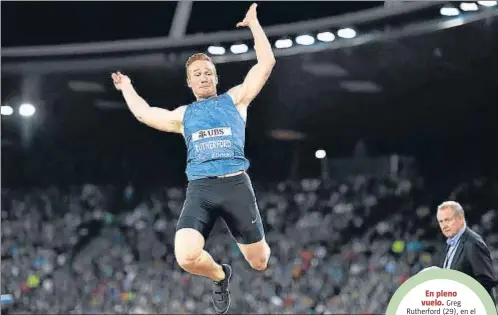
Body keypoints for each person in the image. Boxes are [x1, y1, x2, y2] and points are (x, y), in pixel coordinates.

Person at [111, 3, 275, 314]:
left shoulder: (235, 99)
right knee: (186, 256)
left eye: (208, 73)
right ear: (189, 82)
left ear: (215, 78)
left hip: (236, 186)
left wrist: (254, 25)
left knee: (260, 262)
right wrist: (128, 88)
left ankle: (249, 254)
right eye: (196, 74)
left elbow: (266, 63)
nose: (203, 77)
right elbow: (146, 114)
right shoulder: (184, 115)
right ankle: (220, 274)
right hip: (201, 189)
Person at [436, 201, 497, 304]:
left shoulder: (472, 243)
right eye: (441, 221)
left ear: (460, 218)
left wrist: (460, 297)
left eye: (447, 220)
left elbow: (486, 280)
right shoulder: (451, 243)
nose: (444, 225)